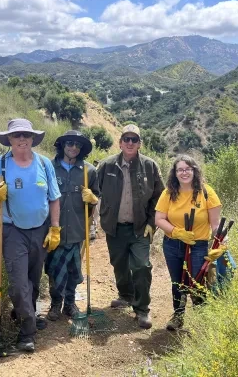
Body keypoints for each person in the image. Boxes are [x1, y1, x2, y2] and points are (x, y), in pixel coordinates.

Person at [0, 118, 61, 353]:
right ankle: (28, 332)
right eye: (16, 136)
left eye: (26, 135)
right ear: (9, 139)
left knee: (33, 280)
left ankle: (23, 314)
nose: (21, 139)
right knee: (18, 285)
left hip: (40, 229)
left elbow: (54, 198)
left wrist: (55, 228)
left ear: (32, 139)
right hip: (12, 230)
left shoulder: (44, 164)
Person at [97, 124, 164, 329]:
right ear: (120, 142)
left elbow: (159, 197)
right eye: (126, 139)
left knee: (142, 266)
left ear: (139, 144)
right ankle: (125, 295)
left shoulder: (149, 166)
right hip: (114, 227)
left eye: (134, 139)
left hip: (140, 228)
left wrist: (152, 223)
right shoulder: (106, 166)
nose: (130, 142)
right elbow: (94, 190)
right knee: (119, 264)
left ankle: (142, 309)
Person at [154, 154, 223, 331]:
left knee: (197, 283)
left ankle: (203, 320)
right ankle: (178, 316)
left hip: (198, 246)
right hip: (172, 244)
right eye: (180, 170)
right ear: (175, 173)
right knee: (178, 282)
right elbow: (159, 219)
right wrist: (176, 232)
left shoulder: (207, 193)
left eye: (187, 169)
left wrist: (221, 244)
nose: (184, 173)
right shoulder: (169, 193)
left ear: (194, 170)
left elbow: (216, 225)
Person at [45, 131, 99, 321]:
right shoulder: (49, 167)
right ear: (62, 145)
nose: (73, 147)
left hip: (77, 229)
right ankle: (55, 303)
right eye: (70, 143)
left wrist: (92, 199)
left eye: (78, 145)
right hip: (53, 229)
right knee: (54, 268)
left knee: (73, 270)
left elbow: (96, 199)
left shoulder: (89, 171)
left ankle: (70, 303)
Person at [89, 159, 101, 241]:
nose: (95, 164)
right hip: (91, 196)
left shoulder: (99, 171)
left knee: (95, 214)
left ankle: (93, 229)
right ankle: (92, 230)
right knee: (92, 214)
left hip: (98, 196)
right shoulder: (91, 171)